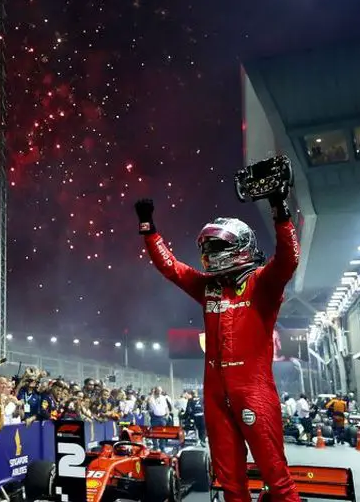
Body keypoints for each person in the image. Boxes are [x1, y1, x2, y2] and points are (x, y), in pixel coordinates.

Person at [136, 181, 300, 502]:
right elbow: (172, 268)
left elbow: (288, 259)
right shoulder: (209, 287)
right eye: (207, 247)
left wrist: (280, 210)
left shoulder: (262, 283)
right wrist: (148, 229)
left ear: (240, 247)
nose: (209, 254)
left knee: (277, 481)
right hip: (214, 397)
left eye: (216, 247)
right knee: (230, 484)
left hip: (254, 394)